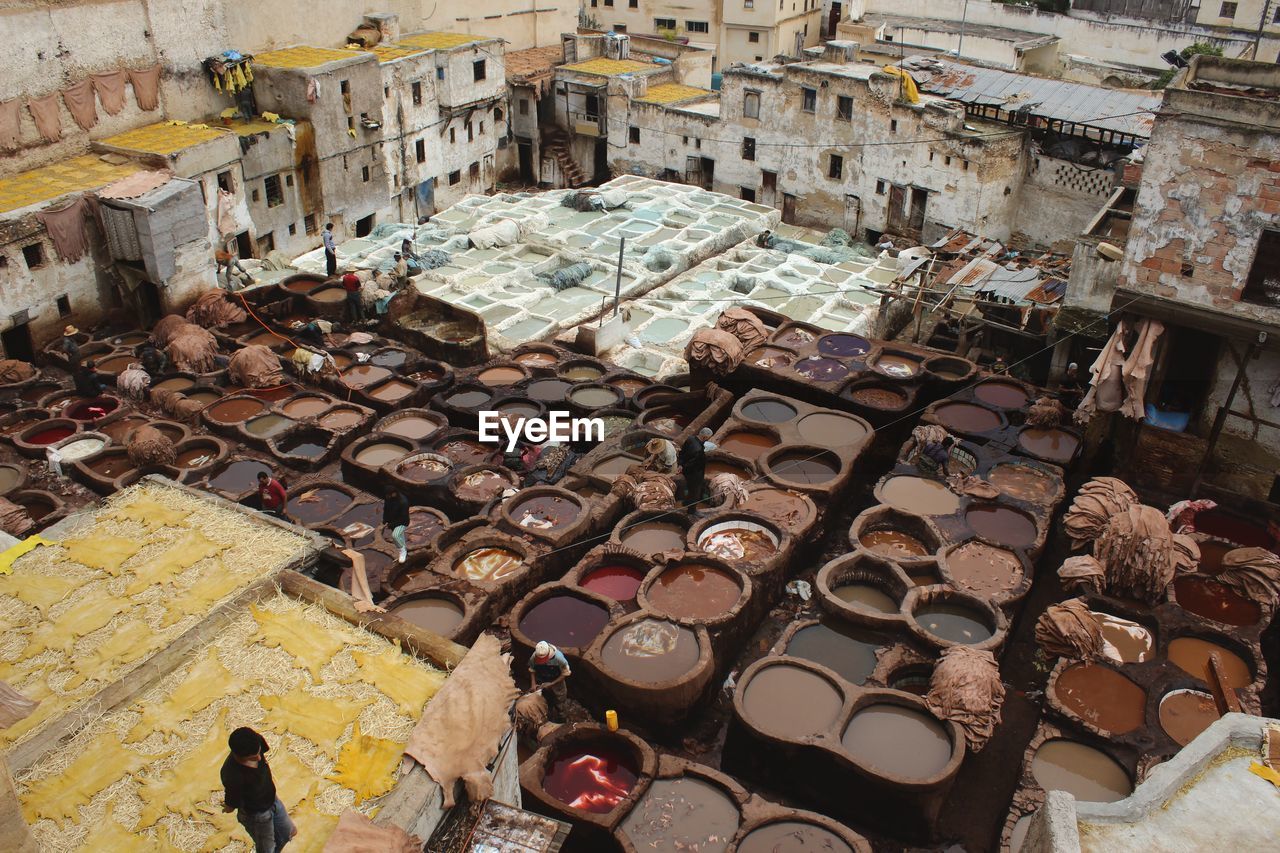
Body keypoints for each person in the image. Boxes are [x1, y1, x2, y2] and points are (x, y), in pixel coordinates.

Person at [221, 726, 296, 853]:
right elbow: (231, 802)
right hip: (256, 814)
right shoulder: (233, 775)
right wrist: (228, 807)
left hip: (272, 799)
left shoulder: (255, 742)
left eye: (258, 753)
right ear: (238, 756)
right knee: (267, 849)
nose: (259, 759)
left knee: (288, 833)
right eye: (252, 758)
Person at [528, 640, 571, 720]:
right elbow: (532, 669)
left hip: (557, 682)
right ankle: (548, 713)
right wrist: (533, 684)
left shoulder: (559, 658)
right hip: (543, 680)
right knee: (545, 698)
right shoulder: (534, 656)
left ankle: (562, 717)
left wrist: (552, 684)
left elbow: (565, 673)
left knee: (560, 700)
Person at [679, 429, 709, 502]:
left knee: (695, 490)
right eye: (708, 438)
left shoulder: (690, 439)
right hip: (693, 474)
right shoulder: (698, 450)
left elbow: (682, 452)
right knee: (694, 493)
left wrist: (680, 465)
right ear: (704, 437)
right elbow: (692, 464)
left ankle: (686, 502)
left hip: (686, 467)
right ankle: (691, 510)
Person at [383, 487, 410, 563]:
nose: (387, 497)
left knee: (395, 535)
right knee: (400, 537)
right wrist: (385, 520)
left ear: (394, 493)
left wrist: (391, 524)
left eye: (389, 495)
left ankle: (402, 551)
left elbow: (403, 518)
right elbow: (385, 509)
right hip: (392, 521)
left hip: (402, 522)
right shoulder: (388, 498)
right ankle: (404, 549)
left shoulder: (403, 502)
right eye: (387, 495)